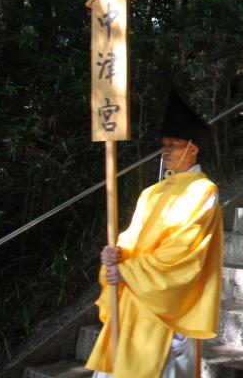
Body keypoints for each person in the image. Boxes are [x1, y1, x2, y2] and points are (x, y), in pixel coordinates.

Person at [86, 87, 224, 378]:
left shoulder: (203, 193)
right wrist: (116, 254)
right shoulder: (151, 193)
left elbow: (183, 256)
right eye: (165, 145)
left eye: (172, 145)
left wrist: (128, 271)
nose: (166, 151)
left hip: (167, 307)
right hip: (133, 300)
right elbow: (132, 240)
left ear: (192, 148)